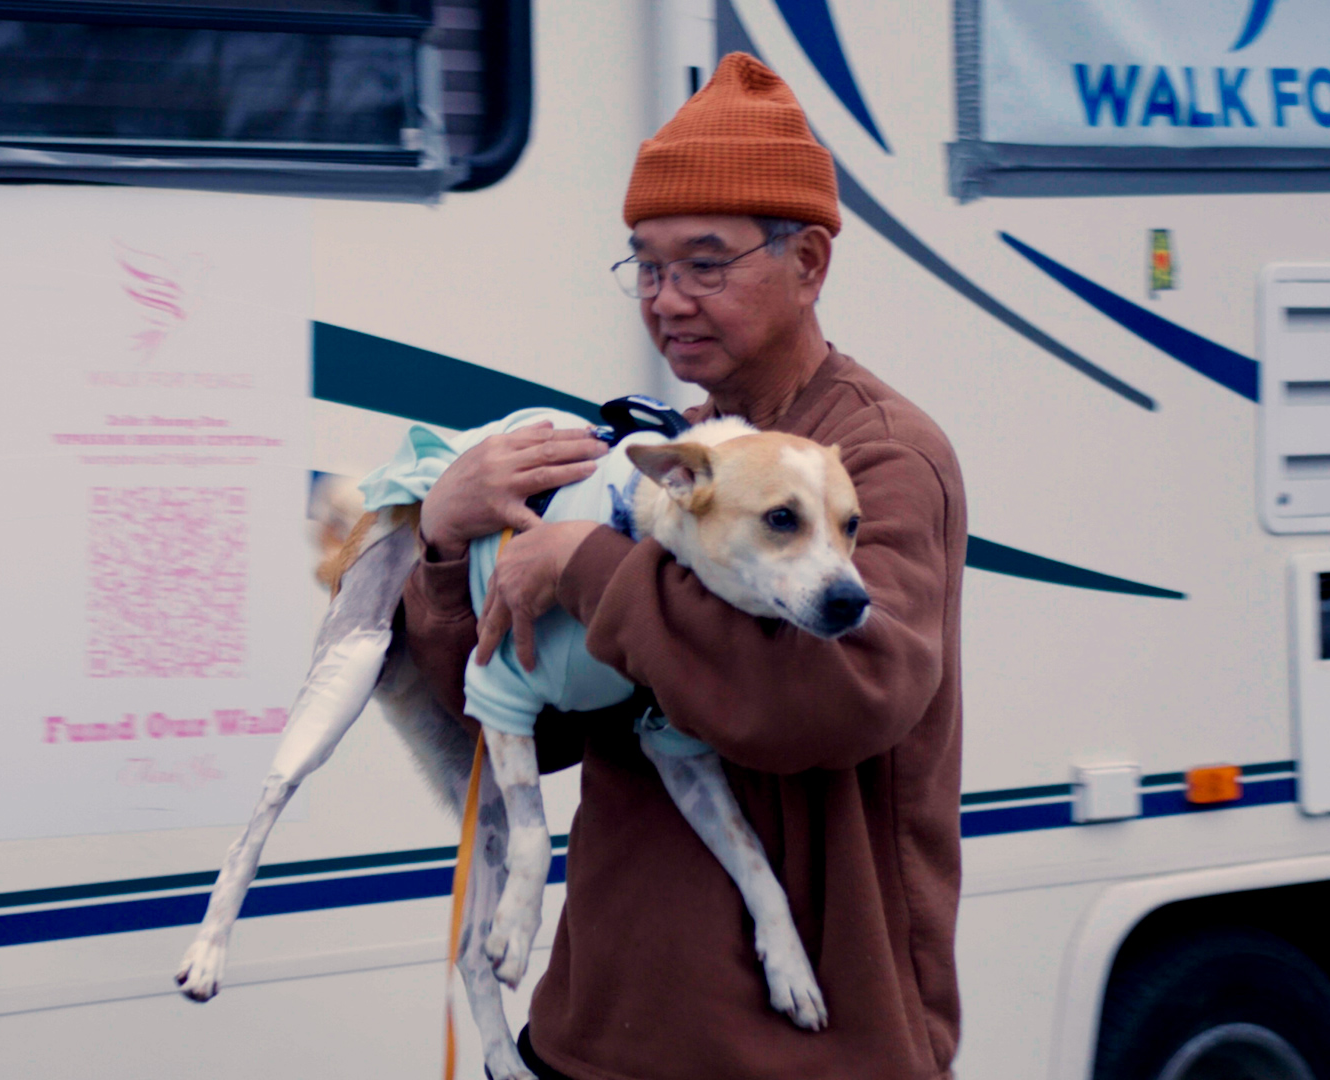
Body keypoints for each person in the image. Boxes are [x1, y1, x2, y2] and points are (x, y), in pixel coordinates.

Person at [405, 52, 966, 1080]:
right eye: (648, 266)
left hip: (797, 1051)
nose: (668, 300)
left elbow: (838, 695)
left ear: (809, 263)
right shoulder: (663, 460)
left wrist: (588, 567)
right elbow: (521, 716)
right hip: (597, 1028)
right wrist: (447, 542)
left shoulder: (878, 454)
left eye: (707, 264)